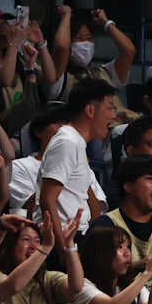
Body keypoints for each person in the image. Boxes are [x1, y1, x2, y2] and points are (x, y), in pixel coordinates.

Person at [39, 76, 113, 228]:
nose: (114, 115)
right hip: (65, 234)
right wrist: (62, 242)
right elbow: (47, 199)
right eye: (110, 108)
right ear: (90, 111)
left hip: (78, 232)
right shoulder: (67, 142)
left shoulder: (76, 142)